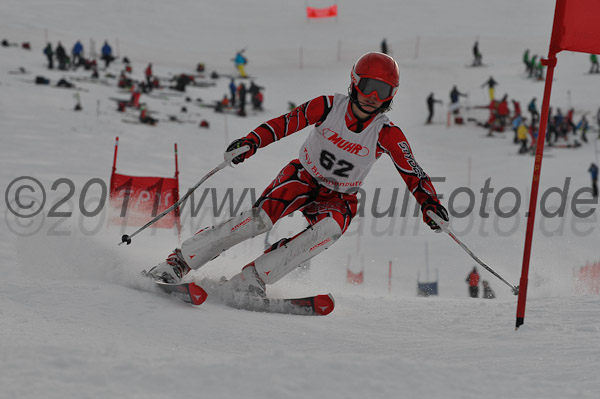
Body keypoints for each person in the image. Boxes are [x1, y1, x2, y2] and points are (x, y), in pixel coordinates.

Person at [145, 52, 449, 298]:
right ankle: (178, 262)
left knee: (329, 230)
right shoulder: (329, 106)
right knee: (256, 221)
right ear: (355, 82)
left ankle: (251, 279)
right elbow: (286, 122)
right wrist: (251, 142)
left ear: (391, 95)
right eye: (368, 85)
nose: (372, 95)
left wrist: (430, 204)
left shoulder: (387, 133)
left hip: (340, 196)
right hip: (301, 178)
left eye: (382, 90)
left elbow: (413, 172)